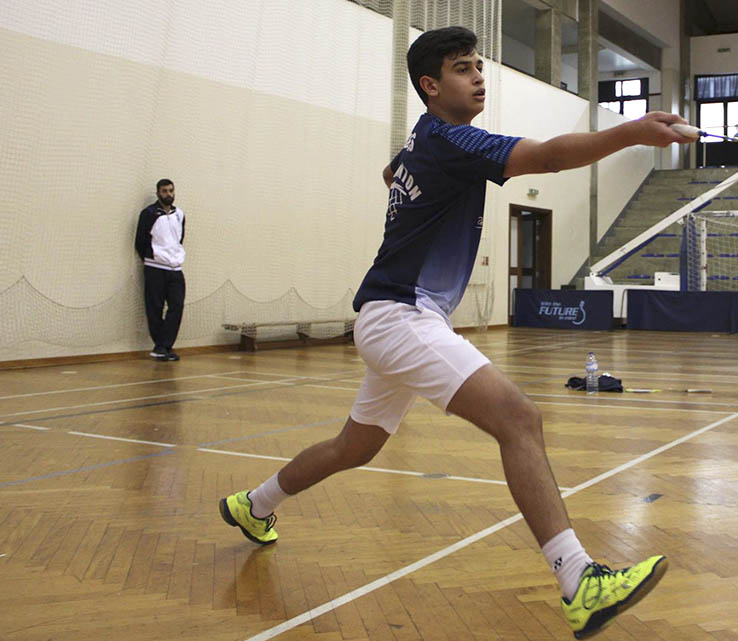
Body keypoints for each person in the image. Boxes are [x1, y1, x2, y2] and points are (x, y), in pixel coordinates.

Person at [217, 26, 687, 639]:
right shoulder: (451, 139)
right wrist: (632, 132)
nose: (479, 77)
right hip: (402, 315)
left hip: (393, 315)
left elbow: (392, 172)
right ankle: (579, 580)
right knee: (519, 419)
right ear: (431, 86)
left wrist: (408, 181)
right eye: (464, 68)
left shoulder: (424, 139)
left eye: (479, 66)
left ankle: (253, 505)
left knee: (354, 447)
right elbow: (547, 157)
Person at [134, 178, 185, 361]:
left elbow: (179, 239)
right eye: (164, 191)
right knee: (155, 307)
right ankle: (161, 347)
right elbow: (140, 242)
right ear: (158, 193)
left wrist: (173, 257)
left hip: (175, 268)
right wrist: (152, 258)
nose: (168, 194)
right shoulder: (148, 213)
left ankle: (165, 346)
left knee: (177, 306)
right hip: (155, 268)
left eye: (171, 190)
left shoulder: (179, 214)